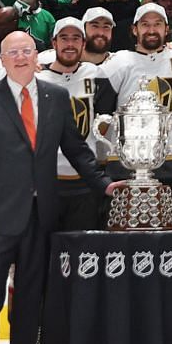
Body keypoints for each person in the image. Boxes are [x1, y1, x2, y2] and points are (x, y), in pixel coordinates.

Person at [0, 31, 116, 344]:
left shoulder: (55, 96)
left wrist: (103, 184)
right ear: (2, 58)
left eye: (26, 51)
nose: (20, 57)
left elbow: (76, 150)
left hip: (41, 214)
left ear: (36, 55)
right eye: (12, 52)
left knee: (31, 299)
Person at [105, 3, 172, 219]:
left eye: (157, 24)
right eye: (145, 24)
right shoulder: (117, 64)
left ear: (167, 29)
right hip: (130, 165)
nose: (151, 29)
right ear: (134, 29)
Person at [38, 16, 117, 232]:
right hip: (48, 180)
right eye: (64, 38)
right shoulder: (38, 79)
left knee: (82, 250)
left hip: (85, 181)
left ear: (84, 43)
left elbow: (107, 120)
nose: (70, 44)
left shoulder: (95, 74)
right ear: (54, 43)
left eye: (76, 38)